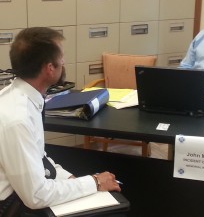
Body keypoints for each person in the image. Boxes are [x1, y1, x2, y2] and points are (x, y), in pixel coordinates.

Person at [0, 27, 121, 215]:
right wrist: (94, 182)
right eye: (61, 58)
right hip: (11, 207)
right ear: (49, 69)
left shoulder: (20, 96)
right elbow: (36, 196)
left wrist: (72, 180)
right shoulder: (18, 119)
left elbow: (39, 158)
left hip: (20, 193)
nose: (64, 62)